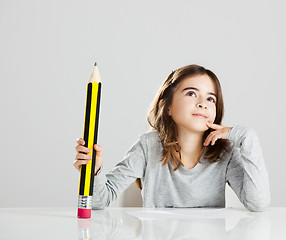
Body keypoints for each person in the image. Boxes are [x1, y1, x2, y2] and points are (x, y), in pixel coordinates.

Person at [74, 64, 271, 211]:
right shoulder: (147, 147)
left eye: (211, 98)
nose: (203, 103)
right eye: (191, 93)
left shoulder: (225, 153)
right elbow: (99, 202)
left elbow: (257, 203)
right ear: (166, 107)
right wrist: (93, 170)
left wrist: (246, 136)